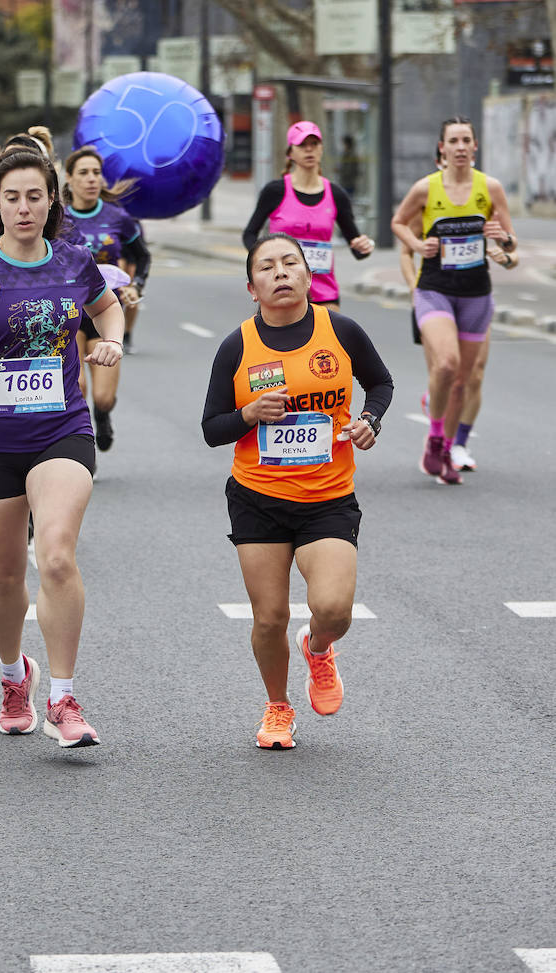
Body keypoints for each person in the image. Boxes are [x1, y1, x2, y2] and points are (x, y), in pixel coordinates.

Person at [0, 149, 125, 749]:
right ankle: (16, 676)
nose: (24, 208)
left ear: (50, 201)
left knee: (56, 555)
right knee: (4, 573)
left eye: (34, 196)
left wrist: (110, 342)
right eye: (12, 197)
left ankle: (63, 697)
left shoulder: (74, 261)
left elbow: (106, 307)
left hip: (61, 427)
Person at [201, 234, 393, 749]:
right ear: (252, 287)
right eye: (267, 267)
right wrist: (248, 414)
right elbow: (211, 427)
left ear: (310, 277)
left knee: (333, 608)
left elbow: (381, 383)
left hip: (327, 497)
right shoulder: (238, 345)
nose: (280, 273)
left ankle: (319, 646)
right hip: (258, 497)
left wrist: (370, 419)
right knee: (269, 618)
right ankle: (278, 706)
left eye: (291, 263)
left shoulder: (342, 330)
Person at [390, 115, 516, 485]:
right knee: (446, 364)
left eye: (466, 140)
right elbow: (399, 222)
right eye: (453, 141)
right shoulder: (426, 189)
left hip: (476, 293)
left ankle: (447, 448)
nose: (460, 147)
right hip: (434, 289)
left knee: (463, 380)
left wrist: (502, 240)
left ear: (475, 146)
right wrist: (417, 245)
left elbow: (511, 243)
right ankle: (434, 439)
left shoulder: (490, 188)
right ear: (442, 148)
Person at [398, 222, 517, 473]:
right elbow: (405, 252)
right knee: (444, 371)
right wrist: (414, 289)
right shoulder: (429, 202)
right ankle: (438, 414)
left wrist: (505, 257)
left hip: (474, 299)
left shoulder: (482, 205)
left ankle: (458, 444)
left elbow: (513, 254)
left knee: (474, 375)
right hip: (434, 300)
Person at [61, 146, 151, 449]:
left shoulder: (119, 217)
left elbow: (142, 256)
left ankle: (103, 416)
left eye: (96, 173)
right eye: (83, 173)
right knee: (78, 390)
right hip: (67, 316)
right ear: (69, 179)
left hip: (105, 314)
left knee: (103, 397)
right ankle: (85, 452)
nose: (91, 179)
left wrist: (135, 285)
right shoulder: (55, 219)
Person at [242, 121, 374, 309]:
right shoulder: (275, 191)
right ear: (290, 153)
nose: (309, 150)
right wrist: (264, 262)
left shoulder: (336, 195)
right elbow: (249, 234)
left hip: (324, 293)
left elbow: (356, 246)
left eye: (314, 144)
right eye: (302, 145)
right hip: (282, 290)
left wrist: (364, 246)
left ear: (321, 149)